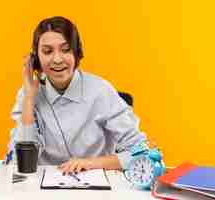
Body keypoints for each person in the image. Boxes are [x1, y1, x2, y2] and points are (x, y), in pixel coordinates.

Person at [9, 16, 146, 174]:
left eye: (66, 49)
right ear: (36, 59)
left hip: (96, 190)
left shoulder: (101, 91)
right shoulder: (29, 93)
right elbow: (21, 163)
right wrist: (29, 99)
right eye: (47, 51)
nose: (57, 59)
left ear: (77, 52)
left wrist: (90, 163)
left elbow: (140, 153)